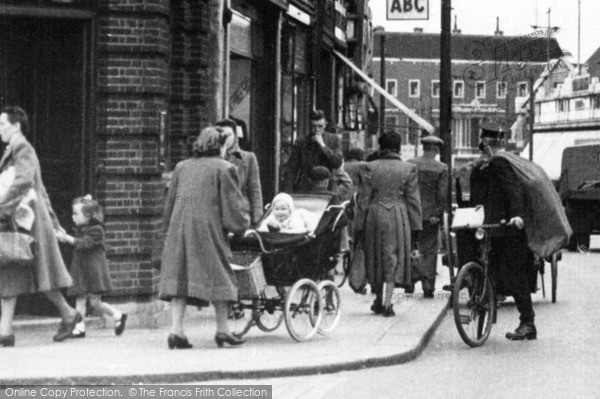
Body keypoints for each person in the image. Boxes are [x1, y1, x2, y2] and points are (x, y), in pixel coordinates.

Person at [159, 127, 250, 349]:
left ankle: (176, 331)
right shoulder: (224, 168)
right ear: (220, 145)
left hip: (179, 227)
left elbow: (170, 202)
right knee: (220, 274)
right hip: (208, 230)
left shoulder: (182, 167)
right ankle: (222, 330)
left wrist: (167, 229)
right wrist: (241, 226)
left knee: (179, 276)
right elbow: (233, 205)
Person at [0, 106, 82, 346]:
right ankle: (6, 331)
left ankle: (67, 315)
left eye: (3, 125)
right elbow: (41, 188)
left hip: (29, 222)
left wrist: (1, 209)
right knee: (16, 273)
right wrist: (54, 221)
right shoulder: (16, 150)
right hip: (27, 220)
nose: (0, 130)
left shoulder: (22, 149)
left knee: (37, 274)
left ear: (16, 126)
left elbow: (24, 183)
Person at [469, 122, 537, 340]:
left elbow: (513, 189)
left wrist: (516, 215)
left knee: (514, 275)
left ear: (487, 142)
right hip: (498, 229)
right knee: (496, 270)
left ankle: (528, 323)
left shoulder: (499, 161)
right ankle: (492, 310)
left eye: (482, 141)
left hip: (509, 229)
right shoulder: (493, 163)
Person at [356, 132, 422, 317]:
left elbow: (363, 200)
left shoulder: (368, 167)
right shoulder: (409, 169)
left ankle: (377, 300)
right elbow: (413, 201)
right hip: (398, 214)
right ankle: (388, 303)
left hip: (374, 213)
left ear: (380, 147)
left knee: (375, 255)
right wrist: (416, 228)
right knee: (392, 256)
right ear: (398, 148)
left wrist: (358, 226)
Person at [56, 195, 127, 338]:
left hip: (93, 272)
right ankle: (80, 327)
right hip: (82, 271)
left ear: (88, 215)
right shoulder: (80, 229)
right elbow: (78, 243)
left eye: (76, 213)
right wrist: (64, 237)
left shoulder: (97, 230)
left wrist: (68, 238)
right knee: (80, 299)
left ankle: (118, 315)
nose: (73, 217)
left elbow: (84, 243)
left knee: (95, 303)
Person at [407, 134, 448, 298]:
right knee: (429, 250)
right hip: (430, 216)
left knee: (410, 247)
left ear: (424, 147)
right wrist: (437, 214)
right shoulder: (442, 168)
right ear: (436, 150)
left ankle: (409, 282)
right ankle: (428, 286)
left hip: (411, 213)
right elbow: (442, 194)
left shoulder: (410, 164)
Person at [216, 119, 263, 226]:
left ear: (235, 136)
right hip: (217, 213)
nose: (224, 138)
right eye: (221, 135)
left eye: (228, 135)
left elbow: (254, 189)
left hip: (240, 213)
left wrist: (258, 218)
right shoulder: (211, 159)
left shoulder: (247, 158)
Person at [282, 109, 343, 193]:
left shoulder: (333, 139)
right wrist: (287, 193)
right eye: (313, 126)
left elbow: (337, 162)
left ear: (325, 125)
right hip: (306, 188)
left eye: (320, 126)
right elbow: (291, 168)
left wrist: (323, 146)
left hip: (327, 188)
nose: (316, 130)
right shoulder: (302, 142)